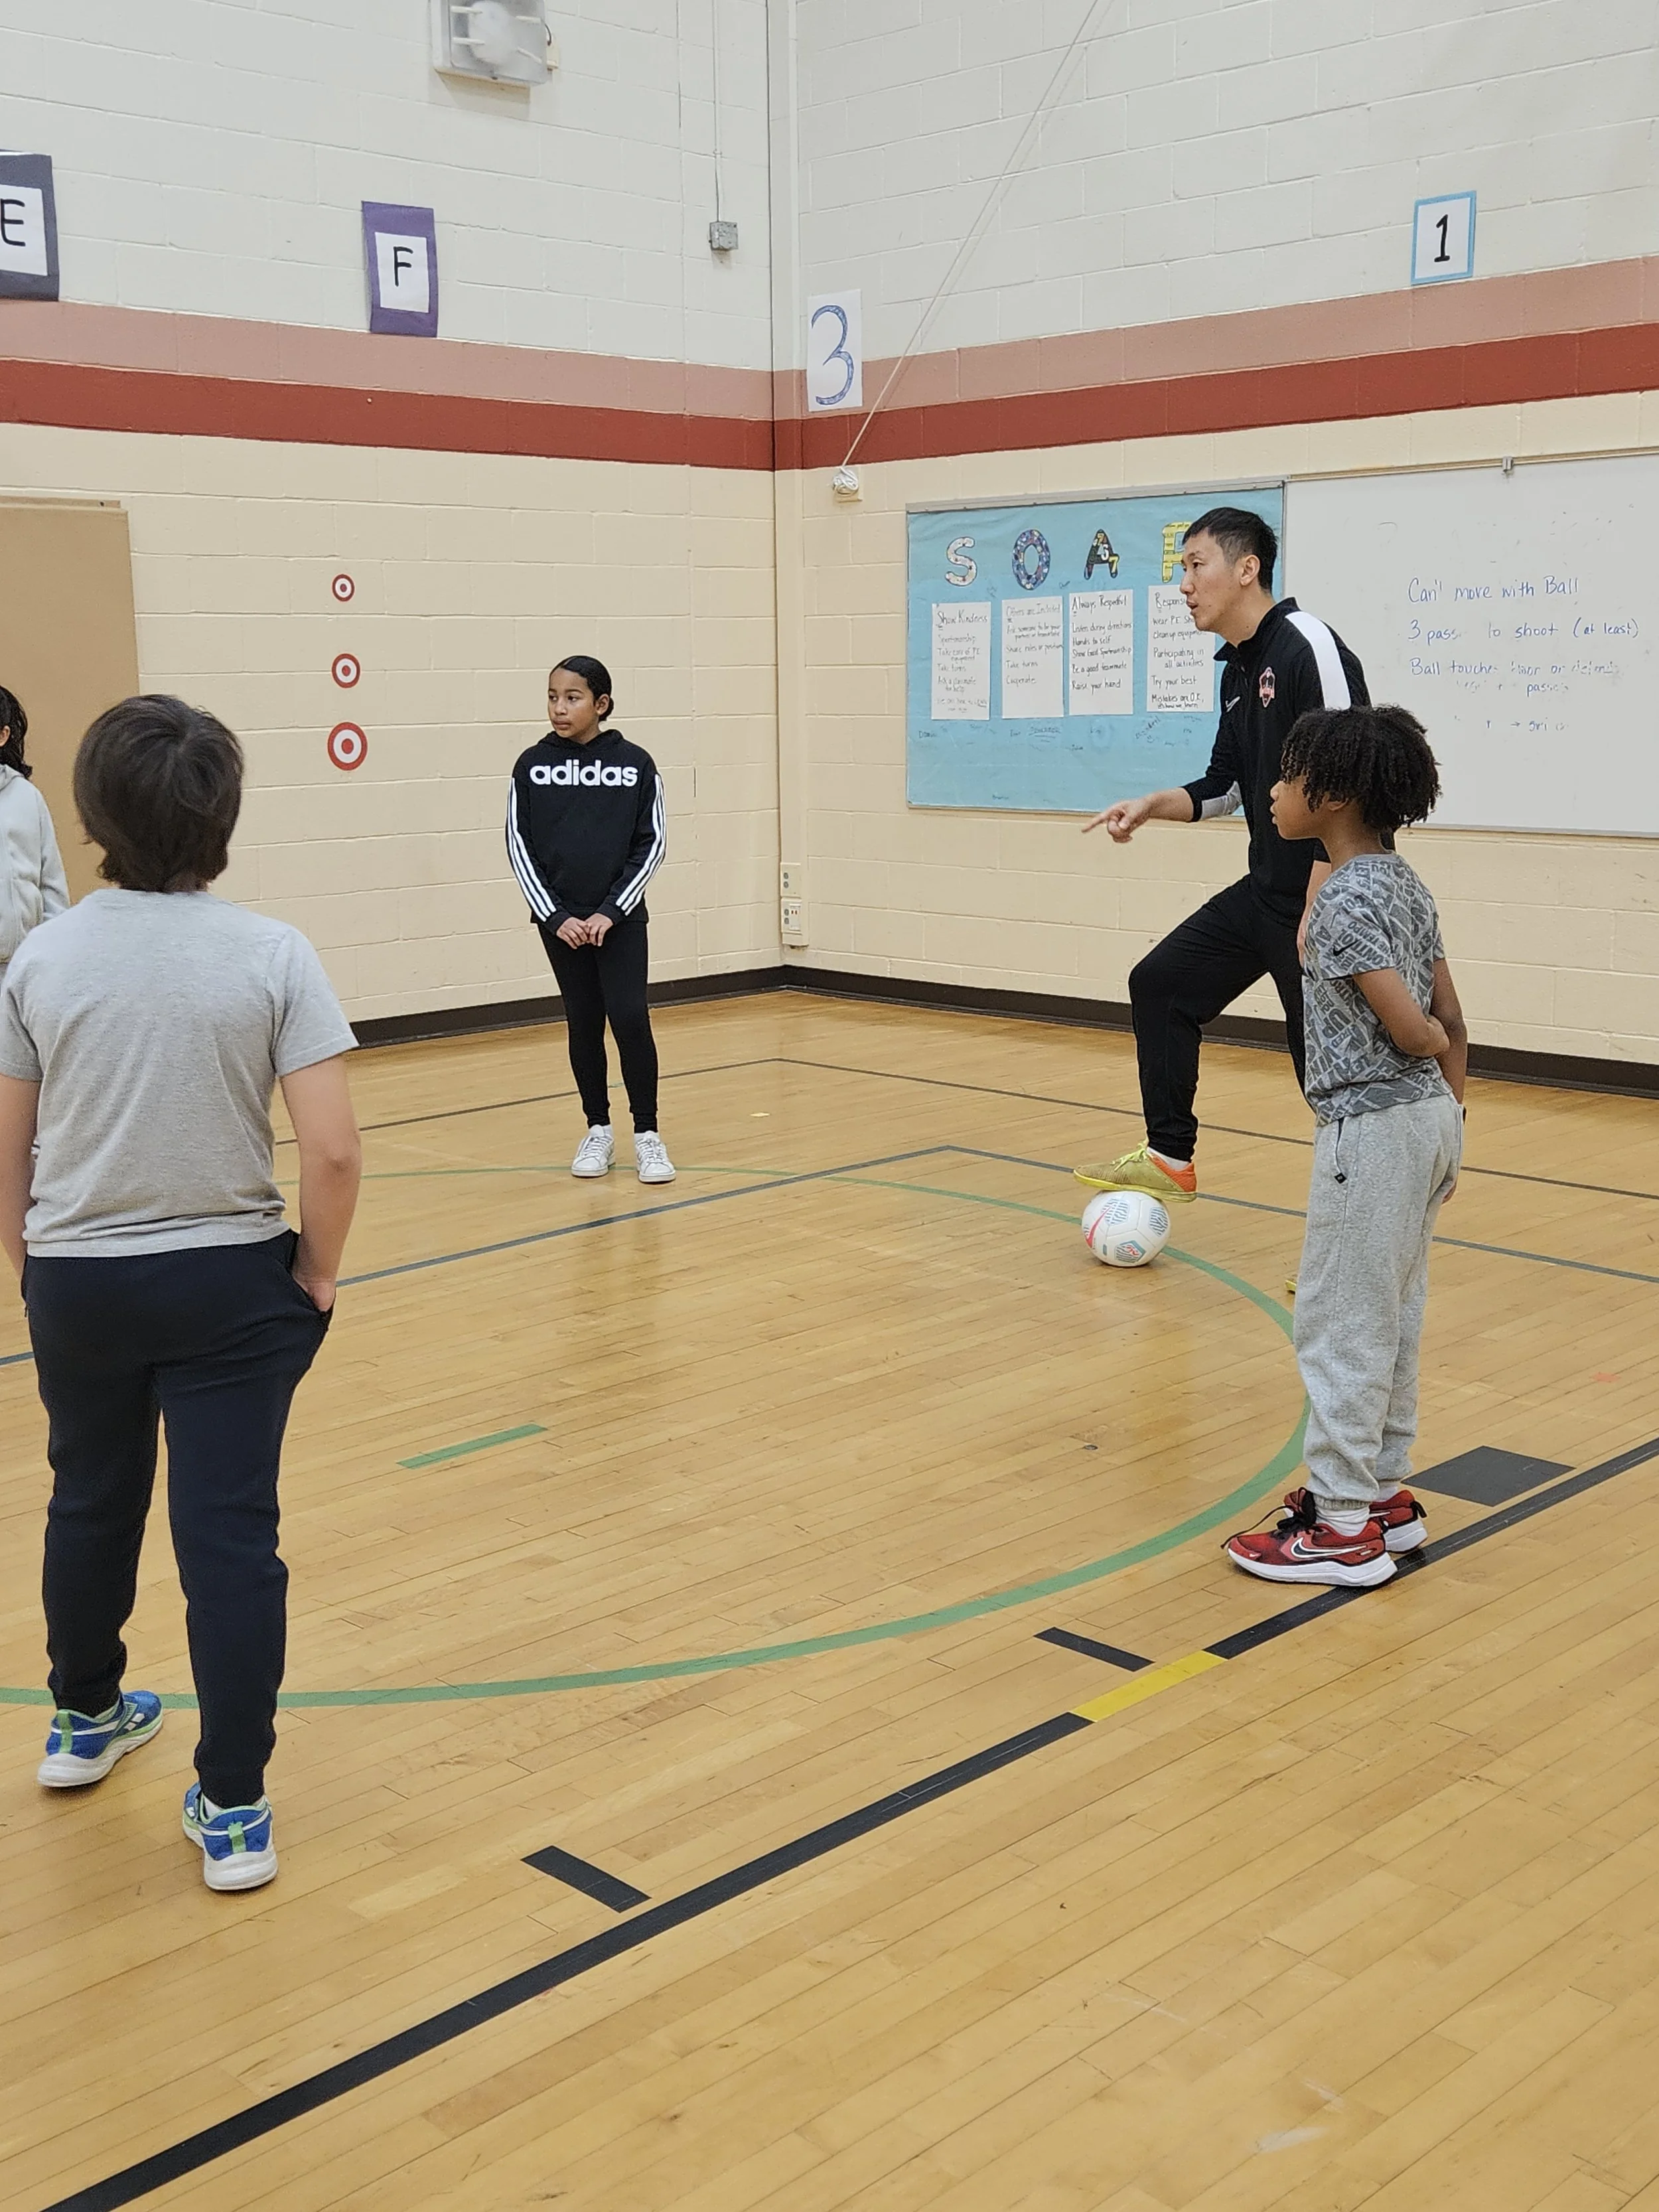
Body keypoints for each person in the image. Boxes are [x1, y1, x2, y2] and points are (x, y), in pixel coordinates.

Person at [0, 695, 361, 1891]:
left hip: (80, 1284)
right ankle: (237, 1805)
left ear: (92, 814)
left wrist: (34, 1263)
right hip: (229, 1291)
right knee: (230, 1537)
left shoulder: (39, 956)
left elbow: (9, 1142)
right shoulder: (272, 952)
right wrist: (315, 1269)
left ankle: (82, 1718)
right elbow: (334, 1152)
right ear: (225, 817)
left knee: (88, 1500)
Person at [1225, 704, 1466, 1588]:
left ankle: (1339, 1528)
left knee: (1339, 1326)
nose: (1274, 792)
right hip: (1429, 1125)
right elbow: (1457, 1021)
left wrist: (1427, 1054)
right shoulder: (1402, 886)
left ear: (1327, 794)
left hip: (1372, 1131)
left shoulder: (1348, 903)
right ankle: (1382, 1499)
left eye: (1286, 778)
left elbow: (1421, 1030)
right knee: (1392, 1318)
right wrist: (1452, 1125)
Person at [1076, 508, 1368, 1203]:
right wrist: (1155, 804)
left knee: (1328, 1077)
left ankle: (1354, 1248)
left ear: (1247, 569)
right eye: (1182, 568)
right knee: (1161, 984)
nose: (1184, 584)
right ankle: (1169, 1155)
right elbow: (1227, 788)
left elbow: (1350, 777)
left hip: (1327, 899)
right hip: (1265, 892)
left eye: (1195, 564)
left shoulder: (1307, 647)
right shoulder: (1238, 670)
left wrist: (1319, 903)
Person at [506, 655, 674, 1184]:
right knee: (583, 1021)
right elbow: (518, 844)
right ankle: (598, 1129)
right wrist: (555, 915)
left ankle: (647, 1134)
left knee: (628, 1016)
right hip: (561, 926)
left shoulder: (636, 764)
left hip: (619, 922)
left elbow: (653, 843)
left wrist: (611, 911)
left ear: (600, 704)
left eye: (573, 697)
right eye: (553, 696)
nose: (560, 707)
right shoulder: (531, 764)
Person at [0, 684, 70, 966]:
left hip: (23, 969)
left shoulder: (26, 797)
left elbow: (52, 887)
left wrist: (52, 958)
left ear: (3, 735)